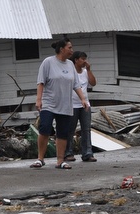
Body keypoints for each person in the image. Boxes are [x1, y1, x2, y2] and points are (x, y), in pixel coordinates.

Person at [32, 38, 89, 169]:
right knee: (45, 128)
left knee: (63, 132)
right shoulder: (48, 62)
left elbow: (76, 84)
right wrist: (39, 99)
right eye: (70, 47)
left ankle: (60, 160)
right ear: (62, 49)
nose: (72, 50)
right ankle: (40, 159)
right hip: (49, 103)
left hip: (65, 104)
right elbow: (41, 82)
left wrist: (83, 99)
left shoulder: (70, 65)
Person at [70, 51, 98, 163]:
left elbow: (93, 83)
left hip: (85, 104)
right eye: (82, 59)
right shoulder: (71, 72)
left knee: (86, 129)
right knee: (70, 130)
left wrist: (89, 70)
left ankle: (87, 153)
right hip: (72, 104)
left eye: (85, 59)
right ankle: (68, 153)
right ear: (76, 60)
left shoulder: (86, 72)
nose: (84, 61)